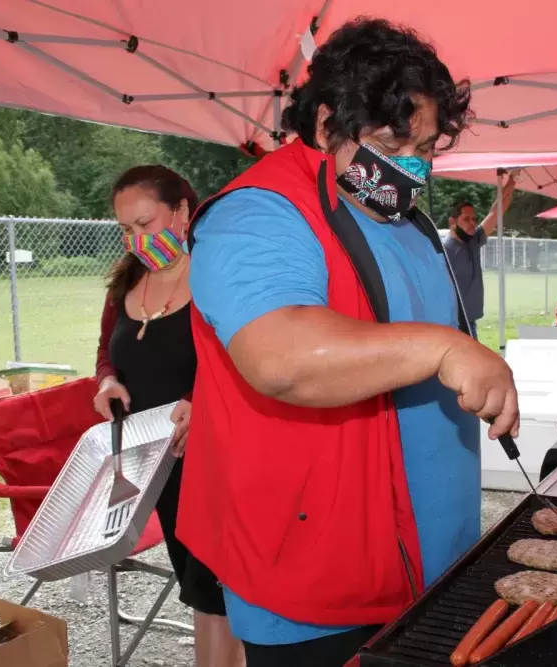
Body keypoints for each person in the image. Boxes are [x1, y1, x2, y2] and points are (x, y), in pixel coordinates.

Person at [177, 19, 519, 667]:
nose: (415, 163)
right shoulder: (259, 212)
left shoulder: (408, 220)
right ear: (327, 121)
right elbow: (280, 356)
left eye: (428, 145)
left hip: (431, 564)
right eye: (396, 138)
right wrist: (444, 349)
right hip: (316, 587)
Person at [94, 165, 245, 667]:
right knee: (202, 587)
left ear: (182, 212)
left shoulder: (213, 276)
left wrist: (201, 396)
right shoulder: (125, 284)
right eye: (126, 229)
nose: (137, 239)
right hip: (159, 468)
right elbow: (106, 355)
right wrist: (107, 382)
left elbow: (243, 355)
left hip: (217, 463)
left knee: (214, 594)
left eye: (145, 223)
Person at [443, 174, 517, 339]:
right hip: (454, 323)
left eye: (474, 219)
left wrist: (512, 181)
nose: (472, 223)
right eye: (466, 219)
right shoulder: (444, 251)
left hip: (470, 320)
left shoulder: (473, 240)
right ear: (452, 222)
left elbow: (496, 212)